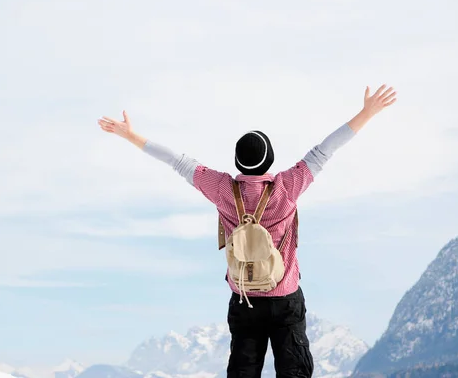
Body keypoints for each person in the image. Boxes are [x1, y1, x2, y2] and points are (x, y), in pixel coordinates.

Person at [97, 85, 397, 378]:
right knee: (294, 370)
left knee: (243, 369)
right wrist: (366, 113)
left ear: (237, 162)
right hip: (285, 296)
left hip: (244, 298)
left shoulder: (221, 188)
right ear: (270, 161)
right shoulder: (287, 187)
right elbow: (325, 150)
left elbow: (176, 160)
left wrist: (130, 135)